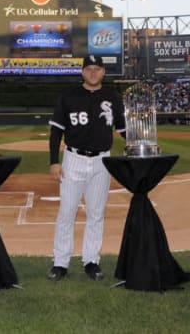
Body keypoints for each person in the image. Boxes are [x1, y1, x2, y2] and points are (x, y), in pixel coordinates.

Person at [47, 55, 125, 281]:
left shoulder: (112, 97)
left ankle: (91, 261)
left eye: (97, 69)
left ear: (103, 72)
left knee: (96, 214)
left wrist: (141, 145)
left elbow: (123, 129)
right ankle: (60, 263)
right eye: (88, 69)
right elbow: (55, 132)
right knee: (66, 212)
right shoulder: (69, 96)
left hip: (102, 161)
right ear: (82, 72)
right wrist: (54, 161)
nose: (93, 72)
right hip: (74, 159)